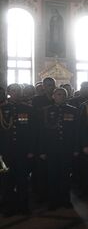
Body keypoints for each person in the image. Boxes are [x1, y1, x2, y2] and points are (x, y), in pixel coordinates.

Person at [38, 88, 79, 210]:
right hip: (51, 149)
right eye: (58, 94)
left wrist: (76, 148)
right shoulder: (46, 111)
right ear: (53, 96)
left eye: (63, 95)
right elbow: (41, 133)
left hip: (67, 148)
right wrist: (42, 150)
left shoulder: (73, 110)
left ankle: (65, 200)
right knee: (52, 176)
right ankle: (53, 201)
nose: (60, 96)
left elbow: (77, 132)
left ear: (66, 97)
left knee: (65, 176)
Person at [0, 84, 36, 216]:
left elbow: (34, 132)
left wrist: (32, 149)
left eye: (18, 91)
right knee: (6, 180)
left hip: (23, 151)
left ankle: (23, 206)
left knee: (22, 180)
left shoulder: (29, 109)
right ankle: (9, 206)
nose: (16, 93)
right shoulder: (2, 109)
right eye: (13, 91)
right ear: (9, 92)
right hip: (5, 152)